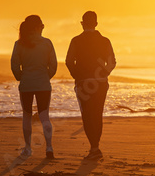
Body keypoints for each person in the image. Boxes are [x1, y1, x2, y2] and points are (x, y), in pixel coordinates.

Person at [66, 11, 116, 160]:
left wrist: (77, 75)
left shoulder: (76, 40)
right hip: (100, 83)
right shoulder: (105, 41)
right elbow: (112, 62)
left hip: (83, 83)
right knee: (97, 113)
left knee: (87, 115)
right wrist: (103, 75)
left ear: (82, 24)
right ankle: (95, 147)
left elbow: (69, 61)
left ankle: (94, 147)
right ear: (96, 24)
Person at [11, 15, 57, 159]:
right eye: (42, 26)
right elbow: (54, 65)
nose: (43, 29)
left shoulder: (19, 43)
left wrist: (21, 77)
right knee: (44, 116)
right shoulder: (47, 43)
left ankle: (28, 148)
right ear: (37, 27)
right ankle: (49, 147)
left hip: (26, 84)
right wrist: (45, 76)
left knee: (27, 115)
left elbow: (14, 65)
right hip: (43, 84)